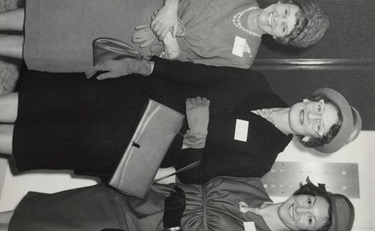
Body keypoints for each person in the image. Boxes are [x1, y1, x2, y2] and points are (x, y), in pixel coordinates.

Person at [0, 58, 362, 182]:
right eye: (319, 108)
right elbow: (193, 72)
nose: (312, 116)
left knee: (34, 139)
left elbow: (193, 176)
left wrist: (198, 136)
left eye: (318, 126)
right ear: (311, 99)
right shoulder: (256, 83)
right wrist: (139, 65)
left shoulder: (260, 160)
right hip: (129, 93)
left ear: (311, 140)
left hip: (126, 139)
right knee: (40, 99)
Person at [0, 176, 355, 231]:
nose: (302, 210)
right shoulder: (252, 183)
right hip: (132, 198)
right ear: (305, 191)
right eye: (311, 201)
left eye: (311, 220)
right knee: (36, 213)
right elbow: (192, 176)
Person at [0, 0, 329, 71]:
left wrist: (171, 48)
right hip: (140, 6)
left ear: (280, 39)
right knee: (56, 13)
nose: (278, 18)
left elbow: (187, 69)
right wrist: (170, 7)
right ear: (284, 1)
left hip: (140, 46)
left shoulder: (241, 60)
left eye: (285, 27)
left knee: (59, 48)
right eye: (286, 11)